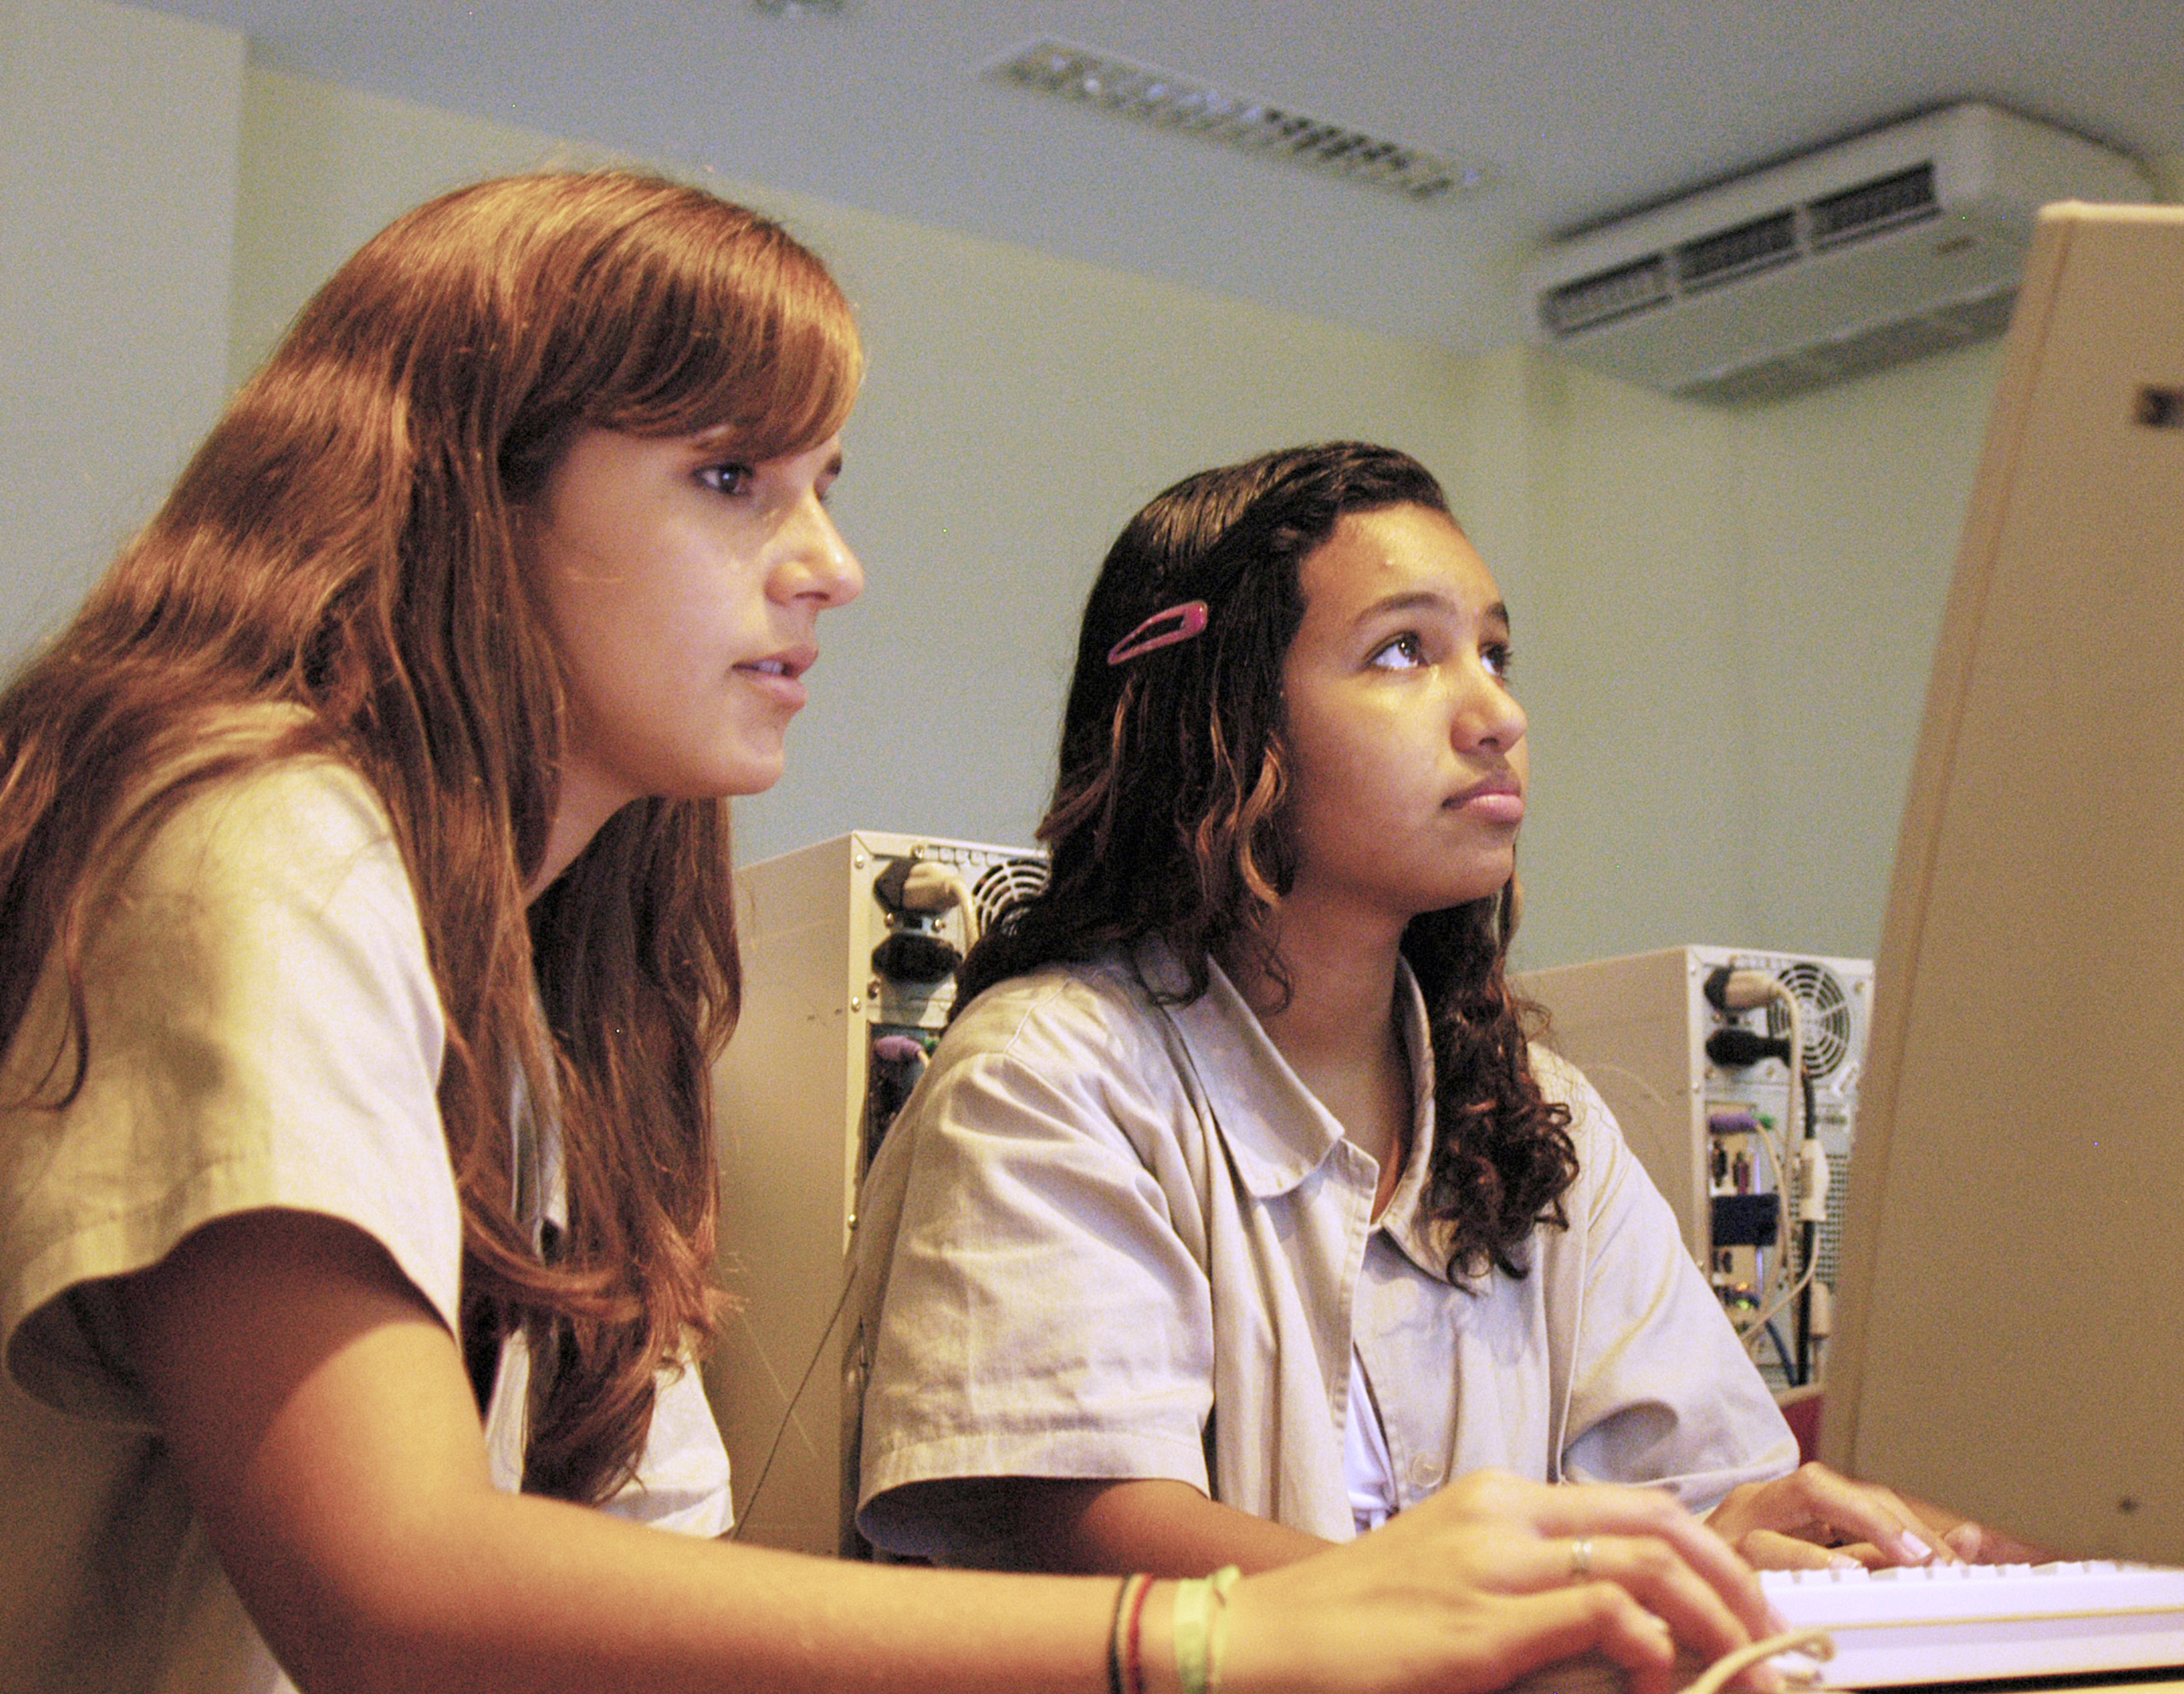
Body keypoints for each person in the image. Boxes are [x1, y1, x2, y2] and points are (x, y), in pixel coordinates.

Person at [0, 176, 1792, 1694]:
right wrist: (1209, 1637)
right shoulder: (261, 842)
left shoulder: (538, 1003)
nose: (832, 564)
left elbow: (643, 1564)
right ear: (471, 489)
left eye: (824, 482)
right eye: (732, 479)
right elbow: (387, 1586)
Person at [851, 442, 2002, 1580]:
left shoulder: (1541, 1111)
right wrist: (1527, 1610)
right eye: (1405, 651)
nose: (1495, 711)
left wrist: (1782, 1540)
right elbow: (1083, 1526)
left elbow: (1696, 1489)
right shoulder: (1047, 1074)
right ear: (1222, 716)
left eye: (1496, 653)